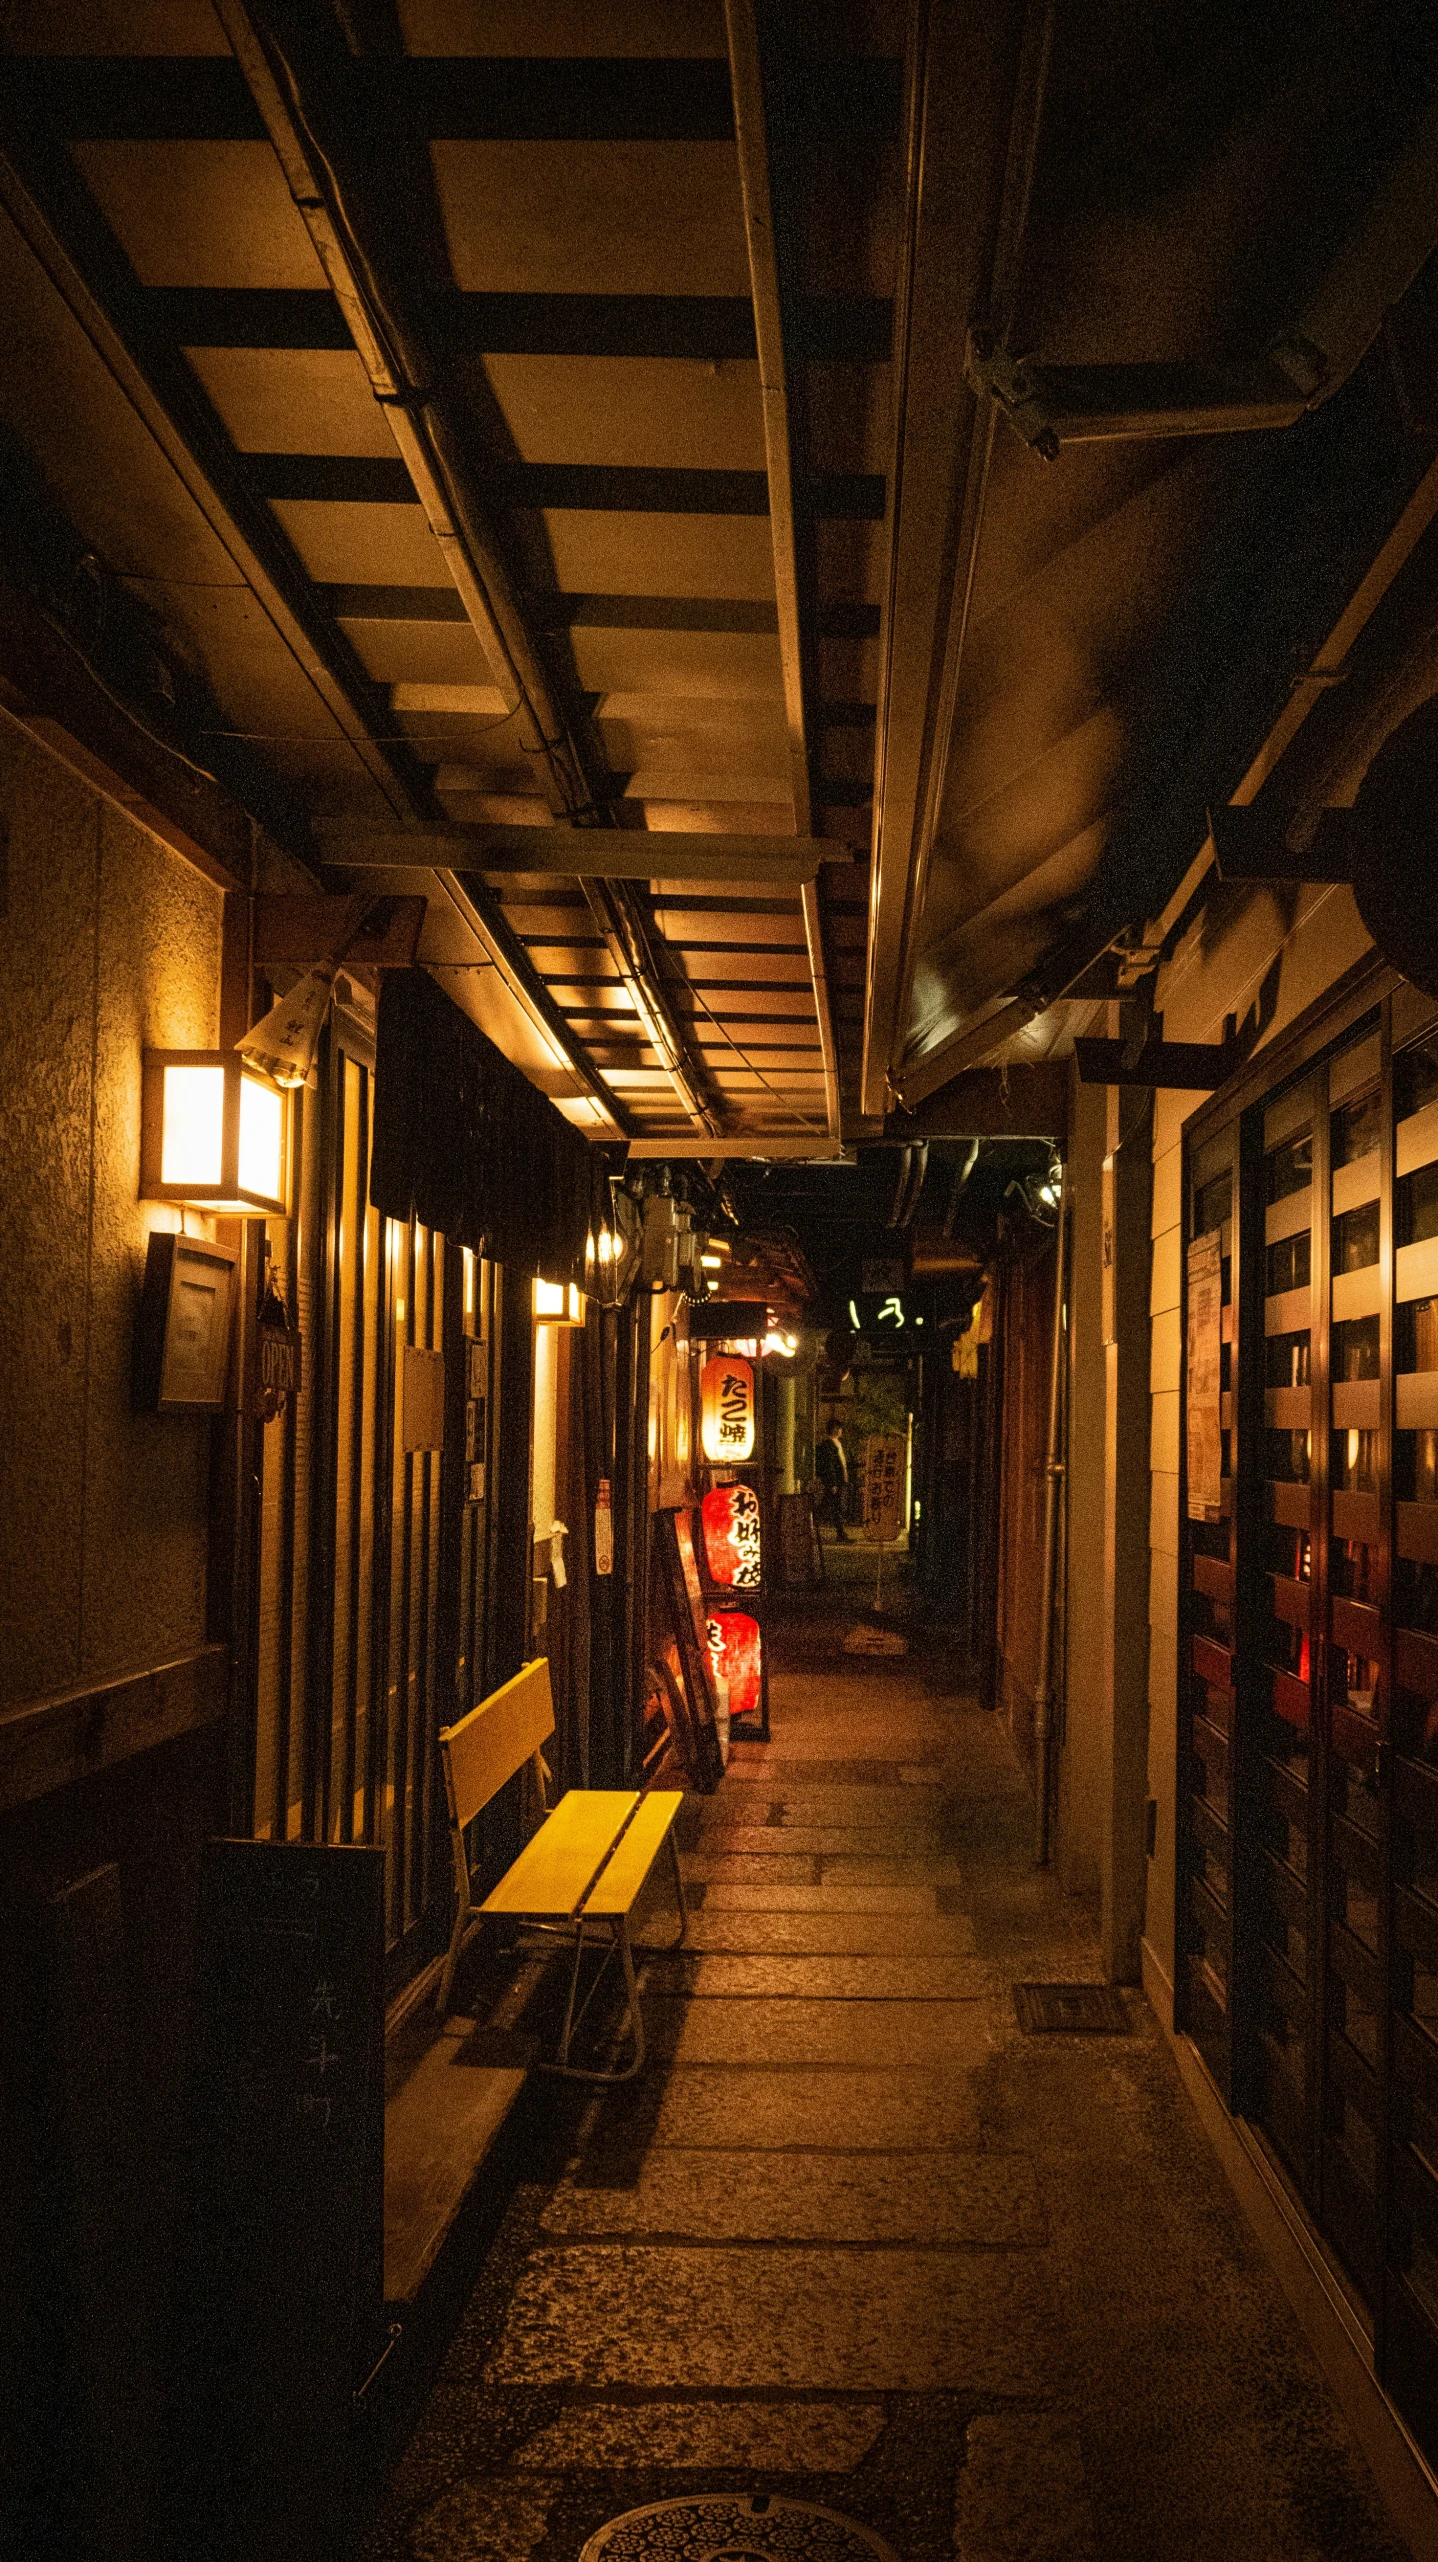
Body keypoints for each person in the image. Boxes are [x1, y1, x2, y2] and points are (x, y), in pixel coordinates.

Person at [814, 1415, 850, 1542]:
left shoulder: (836, 1444)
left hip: (839, 1481)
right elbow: (830, 1465)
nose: (841, 1431)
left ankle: (839, 1532)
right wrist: (833, 1482)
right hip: (835, 1481)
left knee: (832, 1505)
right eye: (840, 1428)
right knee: (834, 1506)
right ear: (835, 1429)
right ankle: (839, 1533)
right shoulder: (828, 1445)